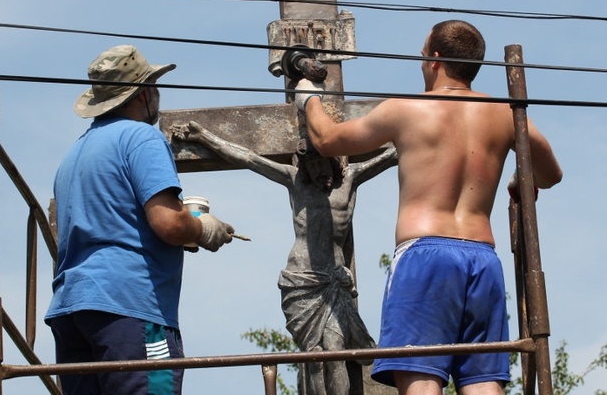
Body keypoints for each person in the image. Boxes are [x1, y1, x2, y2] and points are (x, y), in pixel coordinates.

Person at [295, 20, 563, 395]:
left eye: (423, 56)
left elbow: (327, 140)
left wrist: (308, 96)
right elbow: (550, 174)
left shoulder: (408, 110)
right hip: (483, 260)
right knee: (485, 385)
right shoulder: (506, 114)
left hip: (425, 257)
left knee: (421, 381)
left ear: (436, 59)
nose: (421, 63)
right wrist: (521, 178)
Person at [45, 44, 235, 395]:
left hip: (72, 308)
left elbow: (112, 221)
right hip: (129, 306)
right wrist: (203, 228)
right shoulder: (142, 137)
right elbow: (168, 223)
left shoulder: (75, 154)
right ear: (145, 92)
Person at [171, 121, 397, 394]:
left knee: (336, 352)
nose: (317, 170)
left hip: (335, 283)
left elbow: (393, 154)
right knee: (313, 356)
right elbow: (249, 158)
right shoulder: (295, 182)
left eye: (321, 163)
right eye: (310, 166)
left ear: (333, 161)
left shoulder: (351, 179)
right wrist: (205, 136)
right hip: (301, 282)